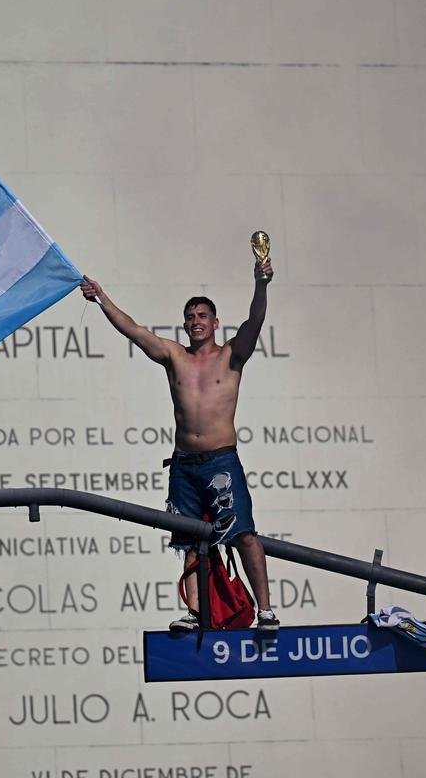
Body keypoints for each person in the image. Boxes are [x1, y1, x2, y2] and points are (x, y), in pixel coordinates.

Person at [79, 260, 279, 632]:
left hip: (221, 461)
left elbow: (255, 322)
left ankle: (265, 609)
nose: (195, 321)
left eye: (203, 315)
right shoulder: (175, 357)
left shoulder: (232, 355)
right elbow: (135, 331)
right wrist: (101, 298)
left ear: (215, 322)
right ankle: (195, 612)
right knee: (189, 540)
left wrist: (261, 283)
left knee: (244, 535)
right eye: (190, 316)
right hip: (185, 464)